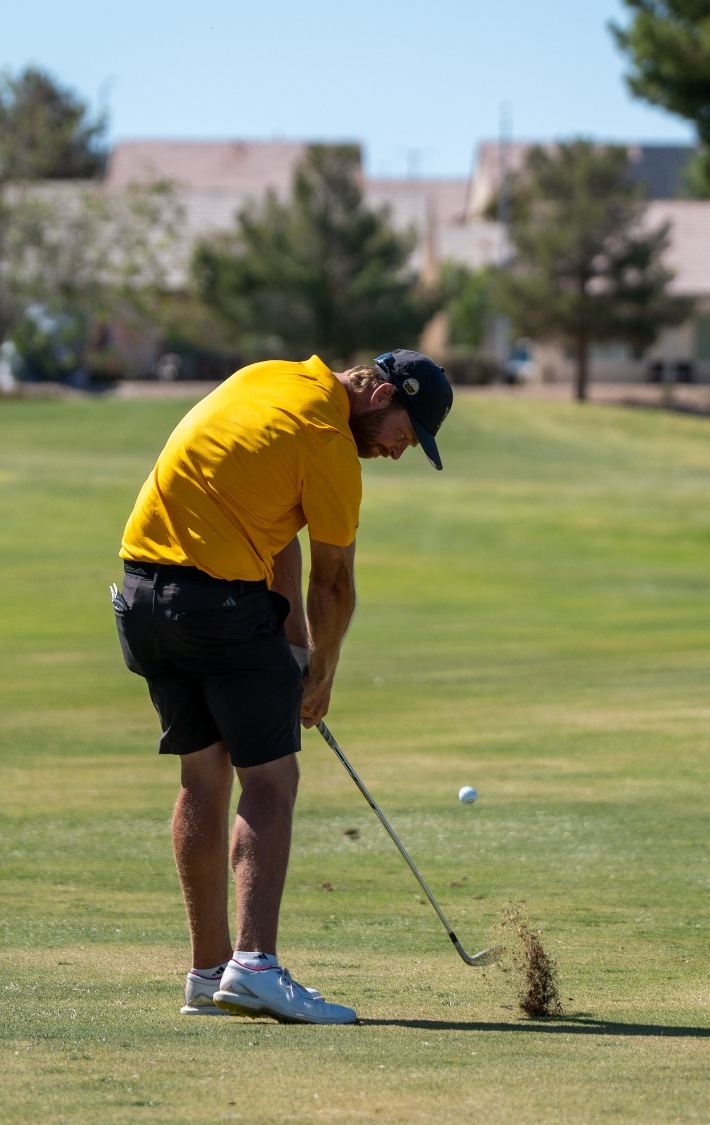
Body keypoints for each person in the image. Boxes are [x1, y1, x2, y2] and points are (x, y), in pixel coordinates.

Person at [113, 349, 453, 1024]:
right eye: (404, 434)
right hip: (217, 605)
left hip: (142, 595)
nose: (398, 451)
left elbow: (276, 531)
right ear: (381, 392)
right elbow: (334, 583)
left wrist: (296, 645)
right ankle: (256, 964)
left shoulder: (271, 378)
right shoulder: (329, 442)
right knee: (270, 781)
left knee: (202, 776)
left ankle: (208, 974)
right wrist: (320, 675)